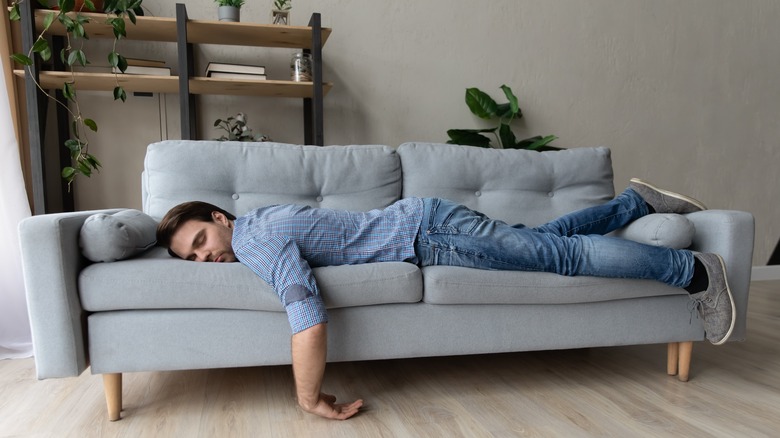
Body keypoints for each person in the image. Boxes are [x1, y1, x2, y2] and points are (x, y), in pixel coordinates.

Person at [156, 178, 735, 420]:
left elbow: (306, 317)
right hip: (429, 221)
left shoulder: (255, 240)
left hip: (430, 235)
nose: (207, 257)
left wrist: (308, 399)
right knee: (546, 243)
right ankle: (635, 204)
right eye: (194, 258)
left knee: (563, 259)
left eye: (203, 240)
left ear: (220, 217)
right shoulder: (259, 220)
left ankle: (694, 272)